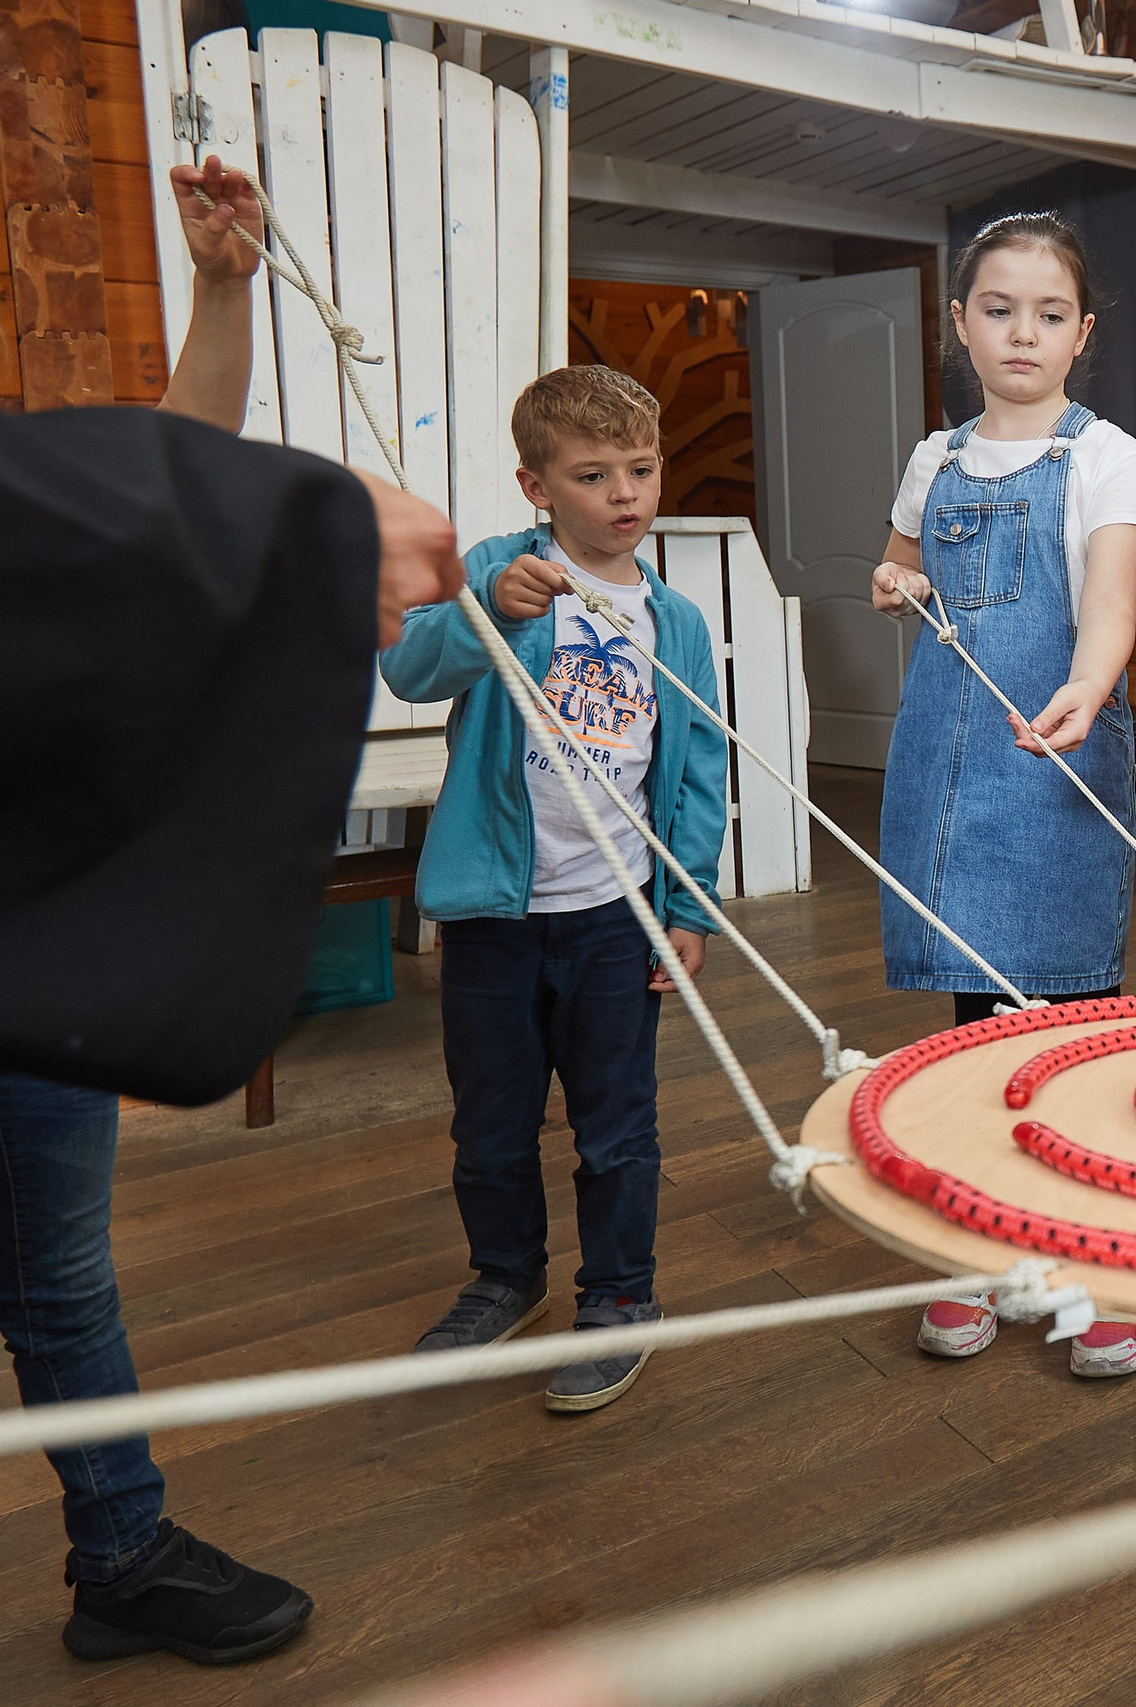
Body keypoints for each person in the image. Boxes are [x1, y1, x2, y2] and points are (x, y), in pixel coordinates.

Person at [0, 158, 465, 1665]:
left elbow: (155, 504)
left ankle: (122, 1547)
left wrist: (218, 289)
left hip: (28, 926)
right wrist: (320, 525)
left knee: (61, 1274)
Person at [379, 366, 728, 1414]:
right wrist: (486, 604)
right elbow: (412, 670)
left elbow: (699, 766)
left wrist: (687, 907)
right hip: (494, 919)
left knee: (617, 1125)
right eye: (592, 474)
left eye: (641, 469)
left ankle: (621, 1298)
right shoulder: (497, 568)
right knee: (490, 1122)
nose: (624, 494)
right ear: (538, 487)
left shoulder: (677, 621)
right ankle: (505, 1275)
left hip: (615, 920)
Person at [869, 212, 1136, 1379]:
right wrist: (894, 582)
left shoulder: (1108, 455)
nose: (1021, 332)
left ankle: (1092, 1267)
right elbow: (896, 558)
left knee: (1072, 1035)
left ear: (1080, 334)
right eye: (998, 309)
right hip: (946, 767)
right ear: (960, 325)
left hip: (1055, 761)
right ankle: (978, 1256)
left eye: (1048, 314)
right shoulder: (935, 458)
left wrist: (1090, 684)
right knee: (970, 1038)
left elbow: (1110, 595)